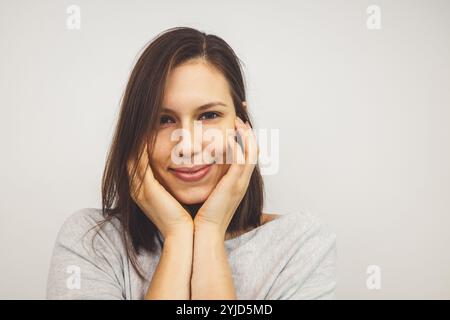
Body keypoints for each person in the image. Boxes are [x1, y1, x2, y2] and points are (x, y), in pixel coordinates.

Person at [46, 26, 337, 300]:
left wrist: (209, 231)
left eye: (208, 116)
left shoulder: (300, 244)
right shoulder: (91, 242)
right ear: (135, 133)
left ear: (242, 124)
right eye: (163, 120)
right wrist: (178, 235)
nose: (187, 146)